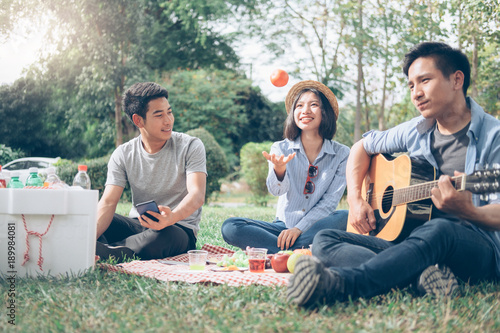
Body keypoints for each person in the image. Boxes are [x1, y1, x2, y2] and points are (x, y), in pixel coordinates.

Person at [287, 42, 500, 307]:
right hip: (413, 246)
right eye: (411, 85)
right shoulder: (416, 130)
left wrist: (468, 211)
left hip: (479, 250)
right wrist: (355, 200)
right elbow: (361, 147)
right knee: (325, 238)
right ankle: (419, 278)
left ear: (457, 79)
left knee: (441, 229)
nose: (416, 93)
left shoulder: (494, 137)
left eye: (425, 80)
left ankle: (341, 285)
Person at [221, 80, 350, 254]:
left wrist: (299, 229)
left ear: (325, 112)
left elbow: (329, 203)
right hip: (281, 228)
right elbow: (276, 191)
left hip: (316, 227)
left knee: (344, 217)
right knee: (231, 227)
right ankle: (300, 250)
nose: (305, 111)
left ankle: (279, 250)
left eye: (313, 105)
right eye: (299, 106)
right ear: (293, 113)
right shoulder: (280, 148)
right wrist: (279, 171)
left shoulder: (342, 154)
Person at [96, 82, 207, 263]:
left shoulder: (191, 146)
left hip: (177, 228)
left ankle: (108, 251)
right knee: (98, 219)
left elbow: (197, 195)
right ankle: (100, 247)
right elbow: (108, 202)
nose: (168, 120)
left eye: (169, 112)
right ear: (138, 120)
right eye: (159, 115)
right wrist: (89, 236)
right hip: (139, 225)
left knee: (161, 237)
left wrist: (172, 217)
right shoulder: (123, 154)